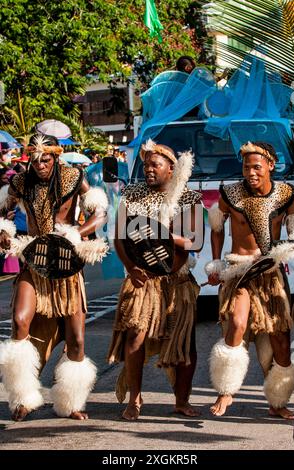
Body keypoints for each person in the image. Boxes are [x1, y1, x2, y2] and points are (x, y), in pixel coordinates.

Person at [0, 134, 108, 421]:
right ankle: (23, 397)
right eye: (35, 160)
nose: (40, 165)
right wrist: (4, 231)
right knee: (20, 321)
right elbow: (3, 211)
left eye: (45, 159)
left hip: (66, 264)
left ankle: (71, 402)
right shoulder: (20, 183)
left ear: (55, 157)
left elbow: (100, 213)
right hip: (33, 260)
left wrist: (77, 234)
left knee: (77, 340)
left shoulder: (74, 177)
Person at [107, 139, 203, 420]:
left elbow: (194, 242)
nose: (148, 169)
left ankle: (182, 401)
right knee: (135, 336)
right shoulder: (132, 194)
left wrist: (163, 235)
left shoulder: (188, 198)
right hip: (141, 278)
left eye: (155, 164)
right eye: (146, 164)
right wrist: (130, 268)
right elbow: (120, 237)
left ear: (171, 169)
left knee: (185, 343)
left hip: (177, 280)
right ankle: (134, 399)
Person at [206, 141, 294, 419]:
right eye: (246, 167)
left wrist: (280, 251)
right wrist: (216, 263)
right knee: (237, 322)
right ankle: (226, 391)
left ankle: (278, 402)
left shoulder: (287, 195)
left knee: (280, 339)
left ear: (271, 165)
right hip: (239, 271)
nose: (251, 172)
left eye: (257, 166)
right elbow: (217, 228)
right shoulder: (230, 194)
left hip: (270, 273)